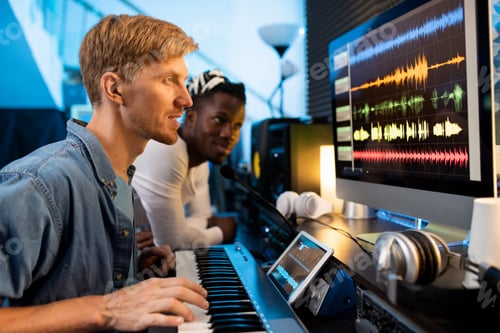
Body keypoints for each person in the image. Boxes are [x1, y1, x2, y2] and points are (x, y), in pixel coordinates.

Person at [0, 14, 210, 332]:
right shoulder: (40, 184)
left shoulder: (119, 179)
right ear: (114, 88)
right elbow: (108, 311)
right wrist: (105, 308)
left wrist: (126, 277)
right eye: (168, 80)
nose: (187, 99)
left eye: (183, 81)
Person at [132, 69, 246, 250]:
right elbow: (175, 244)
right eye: (219, 120)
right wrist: (221, 232)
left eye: (237, 125)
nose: (229, 134)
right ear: (191, 117)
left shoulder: (200, 163)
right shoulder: (168, 149)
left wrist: (174, 234)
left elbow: (202, 218)